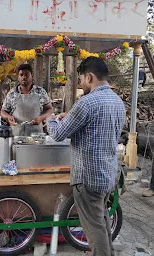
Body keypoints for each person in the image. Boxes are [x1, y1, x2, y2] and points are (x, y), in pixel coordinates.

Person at [47, 57, 125, 256]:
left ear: (89, 77)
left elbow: (57, 134)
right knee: (101, 220)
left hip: (88, 178)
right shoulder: (117, 102)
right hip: (107, 174)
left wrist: (52, 119)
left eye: (81, 80)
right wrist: (69, 117)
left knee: (94, 227)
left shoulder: (87, 102)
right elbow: (94, 128)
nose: (81, 85)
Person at [1, 63, 53, 136]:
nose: (24, 77)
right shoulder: (12, 93)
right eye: (21, 75)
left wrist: (41, 118)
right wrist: (8, 117)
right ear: (18, 77)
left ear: (32, 76)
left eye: (27, 75)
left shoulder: (40, 92)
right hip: (17, 135)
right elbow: (3, 111)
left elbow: (49, 109)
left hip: (36, 136)